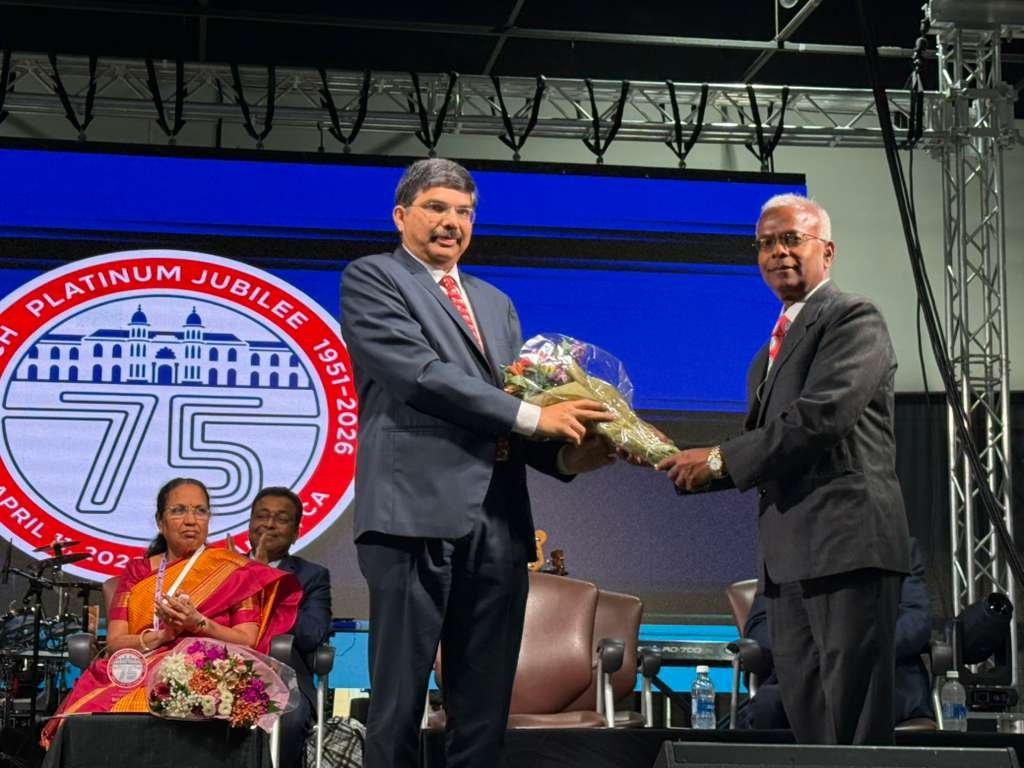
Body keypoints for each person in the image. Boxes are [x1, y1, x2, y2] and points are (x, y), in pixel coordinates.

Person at [341, 158, 617, 768]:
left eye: (464, 212)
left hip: (498, 519)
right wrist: (532, 419)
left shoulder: (495, 302)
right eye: (436, 208)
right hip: (412, 513)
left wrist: (571, 454)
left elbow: (514, 406)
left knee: (485, 706)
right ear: (402, 215)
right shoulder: (373, 278)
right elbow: (420, 376)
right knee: (399, 701)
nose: (451, 222)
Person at [657, 193, 911, 744]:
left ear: (828, 250)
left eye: (791, 238)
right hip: (790, 557)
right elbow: (764, 444)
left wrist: (720, 459)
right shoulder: (766, 354)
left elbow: (819, 420)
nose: (778, 252)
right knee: (810, 721)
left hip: (847, 550)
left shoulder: (852, 317)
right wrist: (669, 456)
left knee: (854, 727)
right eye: (766, 243)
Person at [41, 477, 302, 747]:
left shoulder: (233, 570)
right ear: (160, 521)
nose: (191, 520)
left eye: (200, 511)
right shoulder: (138, 572)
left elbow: (247, 639)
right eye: (179, 510)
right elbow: (116, 643)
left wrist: (198, 623)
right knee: (91, 720)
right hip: (141, 669)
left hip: (210, 670)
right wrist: (164, 635)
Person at [731, 538, 933, 730]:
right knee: (766, 706)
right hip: (806, 678)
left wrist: (856, 649)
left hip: (882, 678)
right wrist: (815, 651)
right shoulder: (785, 552)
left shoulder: (897, 546)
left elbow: (917, 621)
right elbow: (759, 627)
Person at [247, 486, 332, 768]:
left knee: (290, 718)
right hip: (224, 669)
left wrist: (267, 581)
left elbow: (312, 635)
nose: (269, 524)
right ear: (249, 524)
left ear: (296, 532)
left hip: (286, 678)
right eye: (262, 516)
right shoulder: (224, 568)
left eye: (281, 519)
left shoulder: (312, 576)